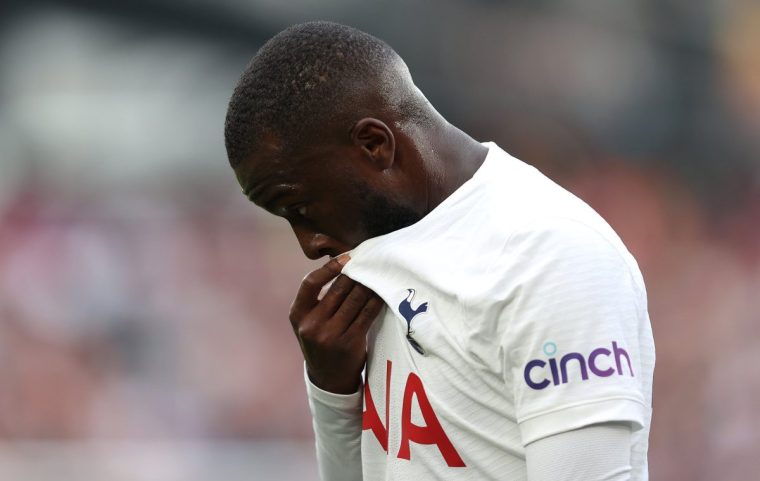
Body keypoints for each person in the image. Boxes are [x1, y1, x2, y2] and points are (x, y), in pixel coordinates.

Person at [224, 21, 655, 481]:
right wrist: (333, 393)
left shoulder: (550, 255)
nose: (310, 245)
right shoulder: (382, 263)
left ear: (375, 146)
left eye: (301, 207)